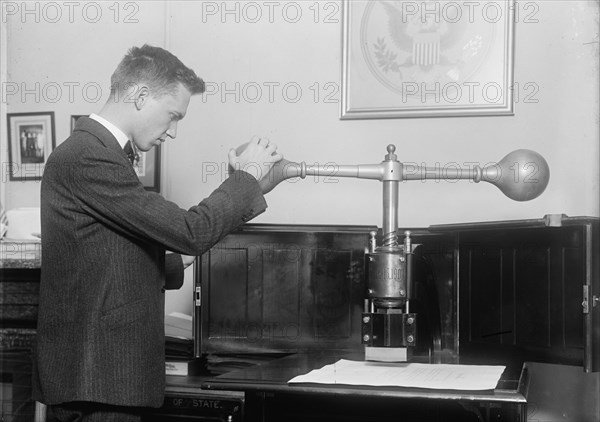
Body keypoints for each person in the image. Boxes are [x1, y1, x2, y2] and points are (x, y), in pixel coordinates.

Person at [32, 44, 282, 421]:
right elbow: (189, 230)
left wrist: (245, 191)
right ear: (140, 95)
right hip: (100, 384)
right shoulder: (88, 155)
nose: (175, 131)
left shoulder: (99, 152)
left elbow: (117, 256)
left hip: (104, 382)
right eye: (173, 115)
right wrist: (245, 180)